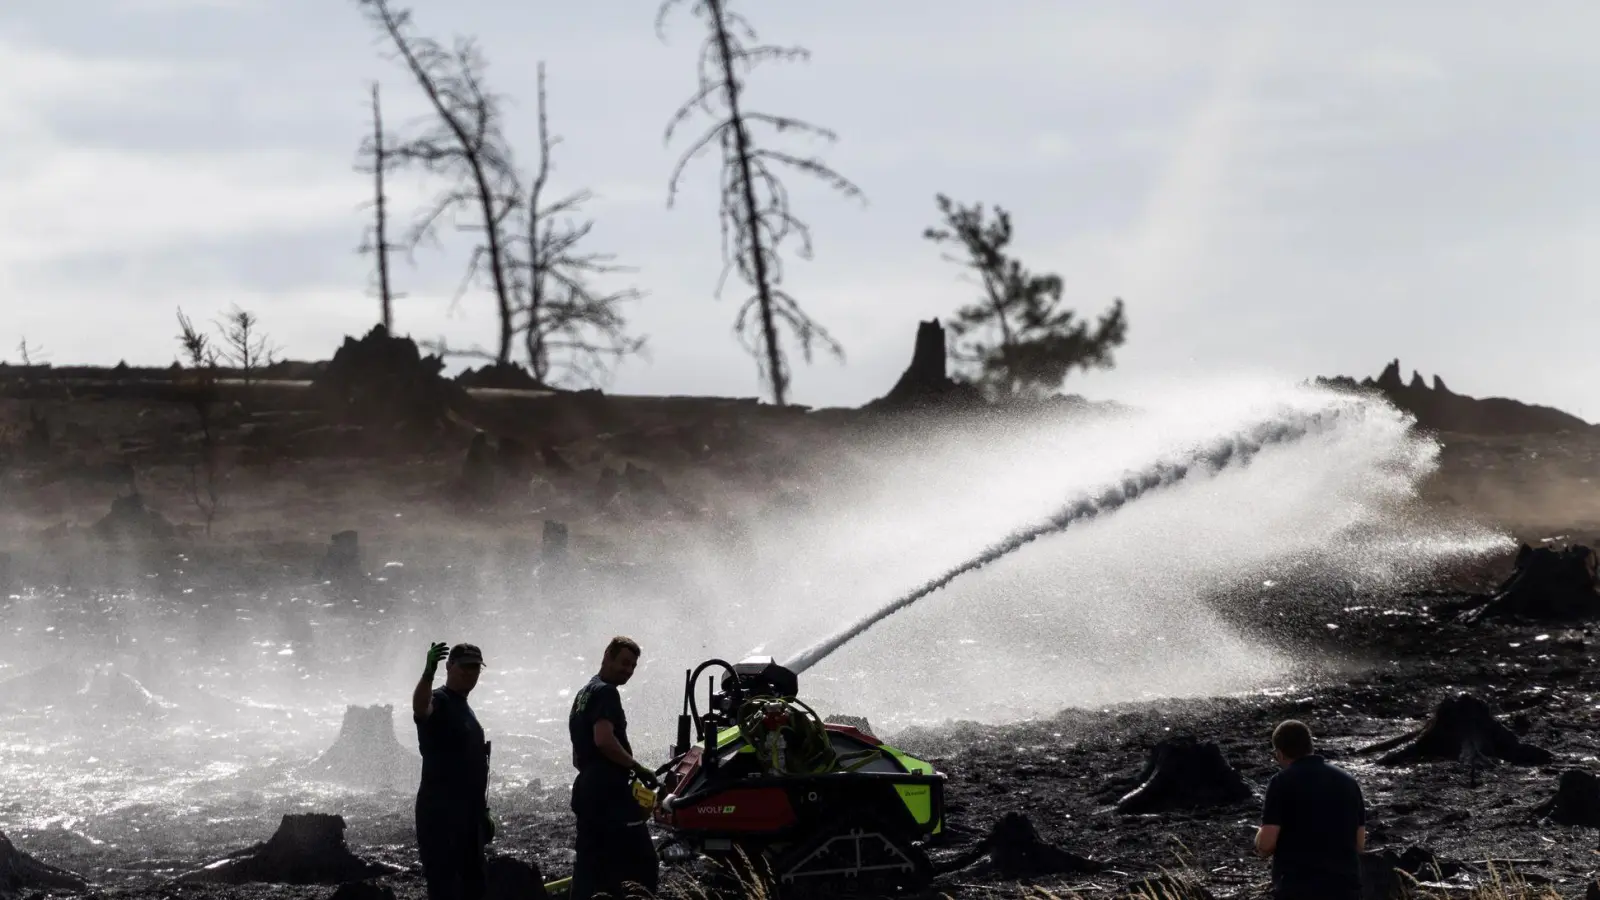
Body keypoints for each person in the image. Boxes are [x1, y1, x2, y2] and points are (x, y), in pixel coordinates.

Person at [569, 636, 659, 900]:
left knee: (589, 868)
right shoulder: (607, 692)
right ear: (607, 655)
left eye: (632, 666)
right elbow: (603, 739)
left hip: (587, 791)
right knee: (643, 866)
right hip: (610, 797)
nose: (628, 670)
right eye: (623, 663)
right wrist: (637, 768)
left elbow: (577, 755)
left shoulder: (583, 693)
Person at [413, 641, 493, 900]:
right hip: (441, 816)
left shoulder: (465, 707)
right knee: (444, 887)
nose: (470, 674)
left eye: (475, 669)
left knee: (474, 885)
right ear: (449, 666)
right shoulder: (440, 700)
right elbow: (420, 709)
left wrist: (483, 812)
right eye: (465, 667)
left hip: (468, 818)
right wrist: (427, 673)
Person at [1256, 720, 1366, 900]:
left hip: (1299, 887)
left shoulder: (1281, 782)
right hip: (1345, 886)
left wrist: (1259, 836)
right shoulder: (1348, 781)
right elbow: (1359, 844)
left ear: (1280, 753)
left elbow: (1266, 845)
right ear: (1310, 746)